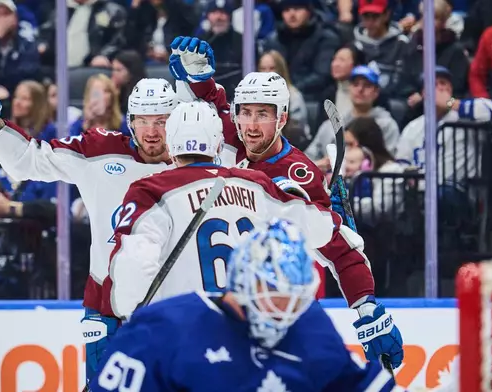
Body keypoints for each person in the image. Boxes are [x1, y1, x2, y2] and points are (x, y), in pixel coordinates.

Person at [169, 36, 404, 368]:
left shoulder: (300, 174)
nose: (250, 125)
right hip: (214, 303)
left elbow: (341, 251)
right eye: (245, 113)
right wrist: (198, 77)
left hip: (273, 309)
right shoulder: (229, 134)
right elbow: (208, 100)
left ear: (281, 119)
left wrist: (366, 308)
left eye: (262, 115)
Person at [0, 73, 177, 386]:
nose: (152, 132)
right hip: (108, 307)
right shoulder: (98, 149)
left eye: (161, 121)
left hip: (173, 301)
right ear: (130, 120)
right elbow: (28, 161)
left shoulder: (197, 163)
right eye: (143, 120)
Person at [94, 219, 400, 392]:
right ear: (243, 280)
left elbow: (361, 385)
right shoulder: (162, 329)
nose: (284, 310)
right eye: (273, 292)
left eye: (294, 298)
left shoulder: (310, 325)